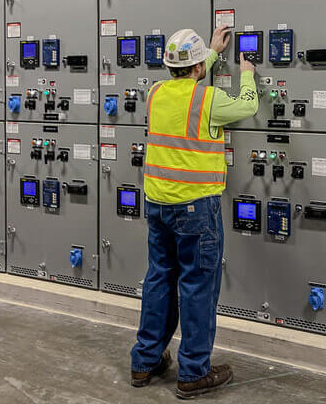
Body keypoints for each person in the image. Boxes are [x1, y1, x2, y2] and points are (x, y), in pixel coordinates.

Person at [130, 25, 258, 399]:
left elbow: (186, 80)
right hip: (195, 210)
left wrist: (211, 53)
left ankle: (145, 362)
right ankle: (193, 372)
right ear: (199, 67)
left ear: (168, 65)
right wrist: (247, 74)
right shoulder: (208, 99)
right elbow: (248, 106)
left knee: (159, 282)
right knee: (198, 288)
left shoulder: (154, 94)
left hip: (157, 205)